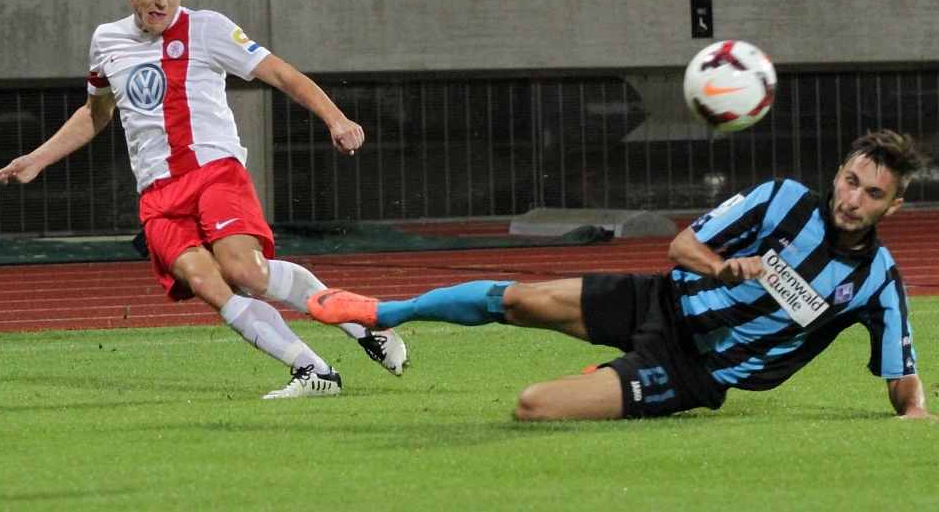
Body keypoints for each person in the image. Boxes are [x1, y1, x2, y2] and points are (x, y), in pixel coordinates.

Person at [0, 0, 407, 398]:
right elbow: (97, 112)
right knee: (205, 282)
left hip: (213, 171)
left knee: (246, 272)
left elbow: (281, 73)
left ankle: (363, 323)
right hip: (157, 194)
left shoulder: (207, 28)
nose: (162, 1)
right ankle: (314, 372)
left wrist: (336, 118)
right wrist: (38, 158)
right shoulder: (106, 41)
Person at [309, 130, 935, 420]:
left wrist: (913, 414)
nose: (854, 199)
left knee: (533, 406)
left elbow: (901, 372)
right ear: (838, 175)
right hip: (657, 299)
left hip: (692, 371)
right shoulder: (781, 200)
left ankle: (610, 377)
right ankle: (384, 312)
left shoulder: (878, 281)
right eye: (851, 181)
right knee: (520, 299)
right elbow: (682, 245)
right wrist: (721, 268)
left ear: (893, 207)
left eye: (873, 193)